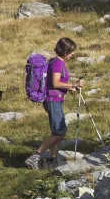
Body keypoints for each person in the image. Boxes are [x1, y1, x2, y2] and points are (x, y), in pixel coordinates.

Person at [26, 37, 80, 168]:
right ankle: (35, 156)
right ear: (66, 51)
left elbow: (55, 83)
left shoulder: (55, 62)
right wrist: (73, 84)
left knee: (56, 131)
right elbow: (55, 83)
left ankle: (53, 159)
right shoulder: (58, 63)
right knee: (60, 132)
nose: (73, 54)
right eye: (71, 52)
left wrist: (70, 88)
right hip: (53, 100)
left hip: (54, 99)